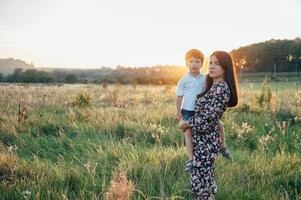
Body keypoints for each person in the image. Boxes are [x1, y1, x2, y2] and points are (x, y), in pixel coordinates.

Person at [179, 51, 238, 200]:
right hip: (201, 142)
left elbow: (207, 120)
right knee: (205, 184)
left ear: (225, 67)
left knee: (199, 185)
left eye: (216, 63)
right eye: (210, 62)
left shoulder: (221, 88)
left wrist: (187, 123)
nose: (211, 66)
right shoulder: (213, 85)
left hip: (206, 144)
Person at [176, 49, 231, 172]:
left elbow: (214, 88)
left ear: (201, 64)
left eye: (197, 61)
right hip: (188, 110)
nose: (194, 64)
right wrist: (178, 111)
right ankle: (191, 159)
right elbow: (179, 96)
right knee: (188, 132)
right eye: (191, 61)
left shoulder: (205, 78)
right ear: (186, 64)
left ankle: (222, 146)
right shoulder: (183, 80)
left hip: (201, 110)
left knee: (219, 124)